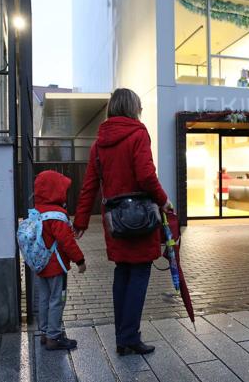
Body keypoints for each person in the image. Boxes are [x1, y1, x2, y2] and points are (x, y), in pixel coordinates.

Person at [74, 88, 171, 356]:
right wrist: (164, 200)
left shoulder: (98, 144)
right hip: (140, 219)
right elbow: (146, 176)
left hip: (115, 221)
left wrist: (81, 220)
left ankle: (123, 337)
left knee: (123, 274)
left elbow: (90, 185)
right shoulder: (138, 134)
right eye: (139, 107)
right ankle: (130, 338)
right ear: (132, 108)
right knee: (139, 274)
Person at [34, 170, 87, 351]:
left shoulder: (37, 212)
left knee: (44, 298)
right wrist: (80, 260)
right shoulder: (56, 215)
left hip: (40, 265)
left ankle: (44, 332)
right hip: (56, 267)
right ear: (56, 190)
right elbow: (67, 242)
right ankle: (54, 337)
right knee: (57, 299)